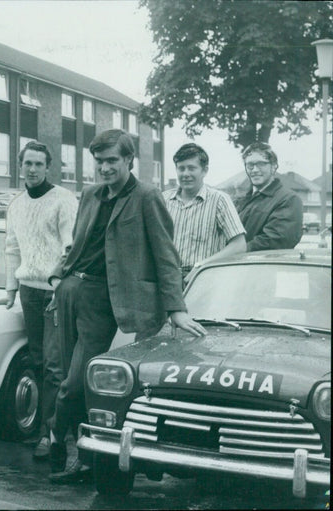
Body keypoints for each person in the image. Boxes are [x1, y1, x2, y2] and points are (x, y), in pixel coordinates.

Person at [46, 129, 207, 483]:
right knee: (69, 380)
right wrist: (58, 277)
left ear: (128, 161)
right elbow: (78, 243)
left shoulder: (147, 196)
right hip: (82, 296)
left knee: (94, 386)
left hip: (124, 303)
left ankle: (73, 447)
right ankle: (78, 454)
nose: (104, 168)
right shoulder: (90, 194)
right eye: (99, 161)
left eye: (112, 161)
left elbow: (166, 255)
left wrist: (176, 308)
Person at [0, 140, 78, 460]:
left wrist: (58, 286)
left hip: (57, 290)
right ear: (20, 165)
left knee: (55, 365)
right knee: (38, 361)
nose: (33, 169)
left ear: (48, 167)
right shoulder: (16, 204)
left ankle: (52, 434)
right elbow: (12, 248)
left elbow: (71, 248)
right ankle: (47, 425)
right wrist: (10, 290)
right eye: (28, 163)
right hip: (28, 291)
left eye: (39, 164)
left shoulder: (64, 200)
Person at [163, 143, 246, 279]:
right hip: (167, 280)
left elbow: (239, 245)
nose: (185, 174)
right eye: (181, 168)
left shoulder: (219, 200)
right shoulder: (163, 200)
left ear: (204, 170)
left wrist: (202, 267)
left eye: (191, 168)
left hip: (204, 279)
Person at [234, 142, 303, 251]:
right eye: (250, 165)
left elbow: (277, 240)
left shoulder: (289, 199)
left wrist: (232, 251)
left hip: (264, 266)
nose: (255, 170)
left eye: (261, 164)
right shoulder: (241, 200)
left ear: (274, 166)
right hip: (233, 264)